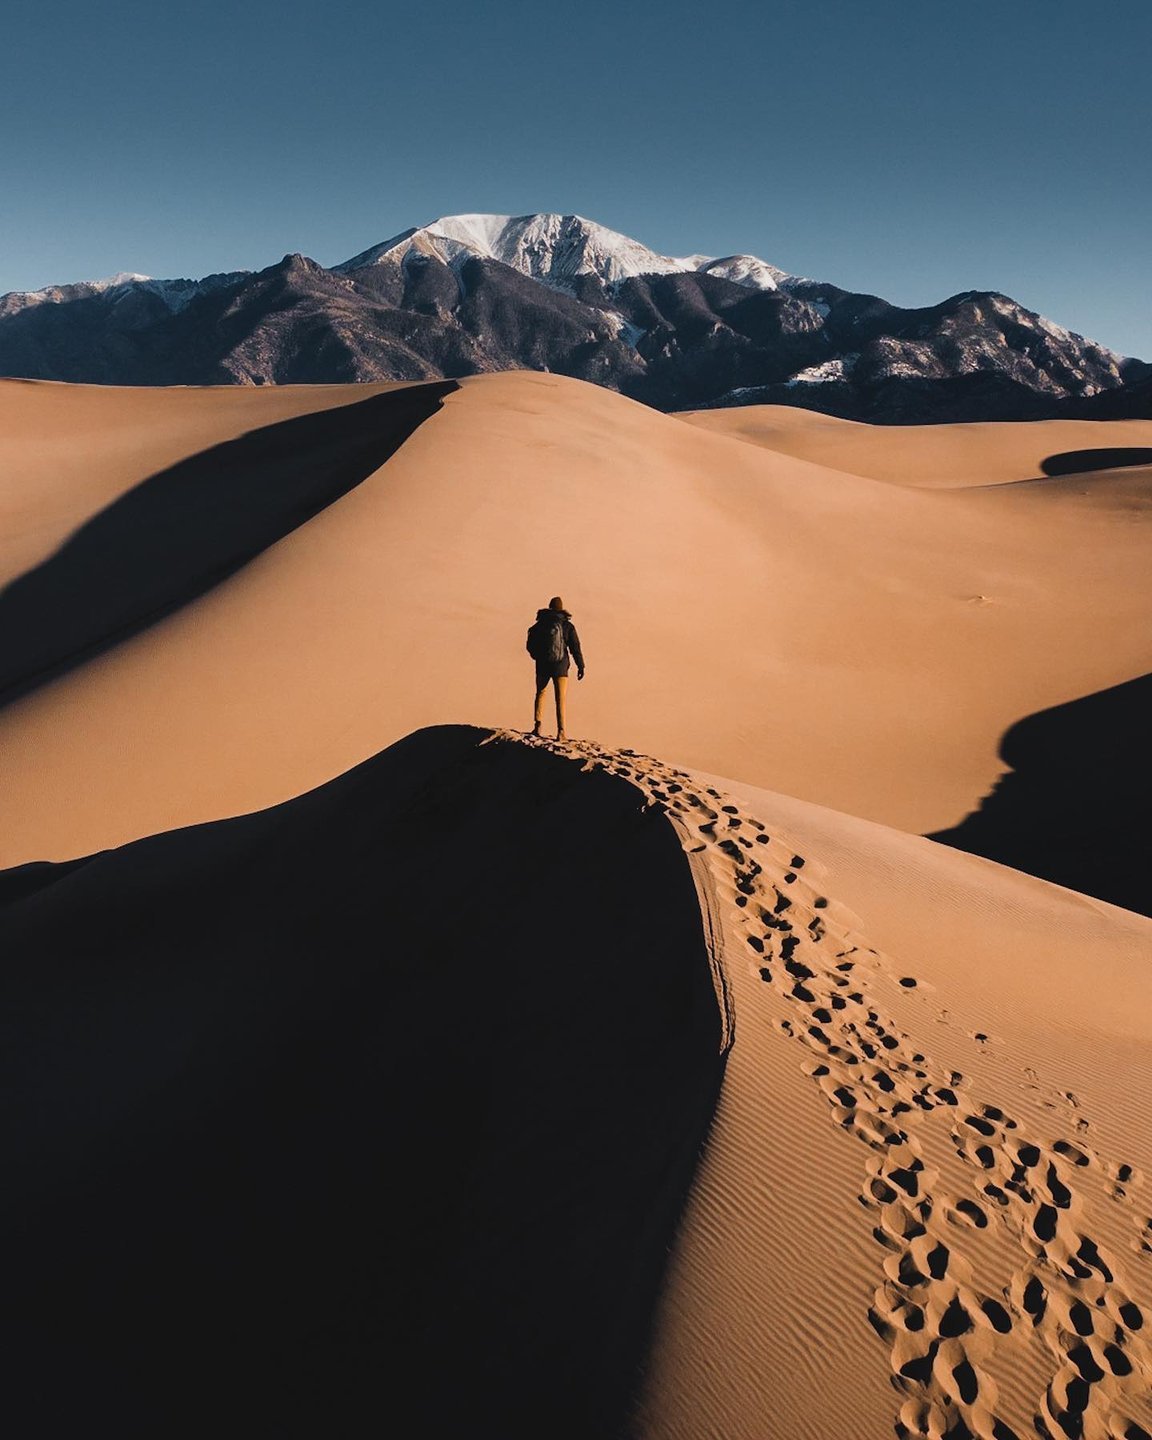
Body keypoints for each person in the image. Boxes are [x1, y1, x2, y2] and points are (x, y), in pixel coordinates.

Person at [526, 596, 585, 740]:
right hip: (561, 666)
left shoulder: (539, 625)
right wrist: (580, 665)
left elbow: (530, 644)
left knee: (541, 693)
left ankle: (537, 726)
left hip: (542, 666)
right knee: (560, 699)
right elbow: (575, 647)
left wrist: (537, 656)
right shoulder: (567, 626)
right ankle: (561, 731)